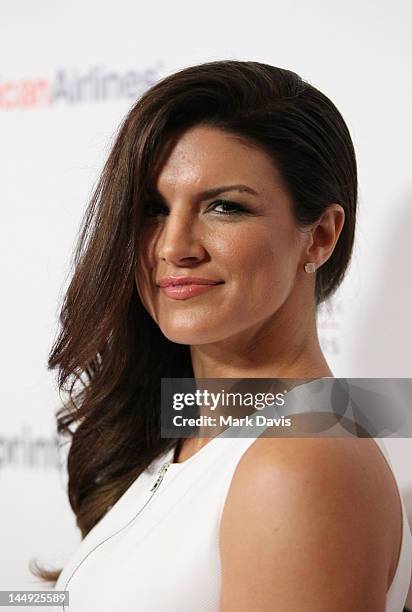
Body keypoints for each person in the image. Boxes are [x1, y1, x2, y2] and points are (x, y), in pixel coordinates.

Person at [32, 59, 411, 610]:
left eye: (224, 207)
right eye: (151, 209)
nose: (174, 246)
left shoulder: (300, 465)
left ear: (320, 237)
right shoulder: (188, 428)